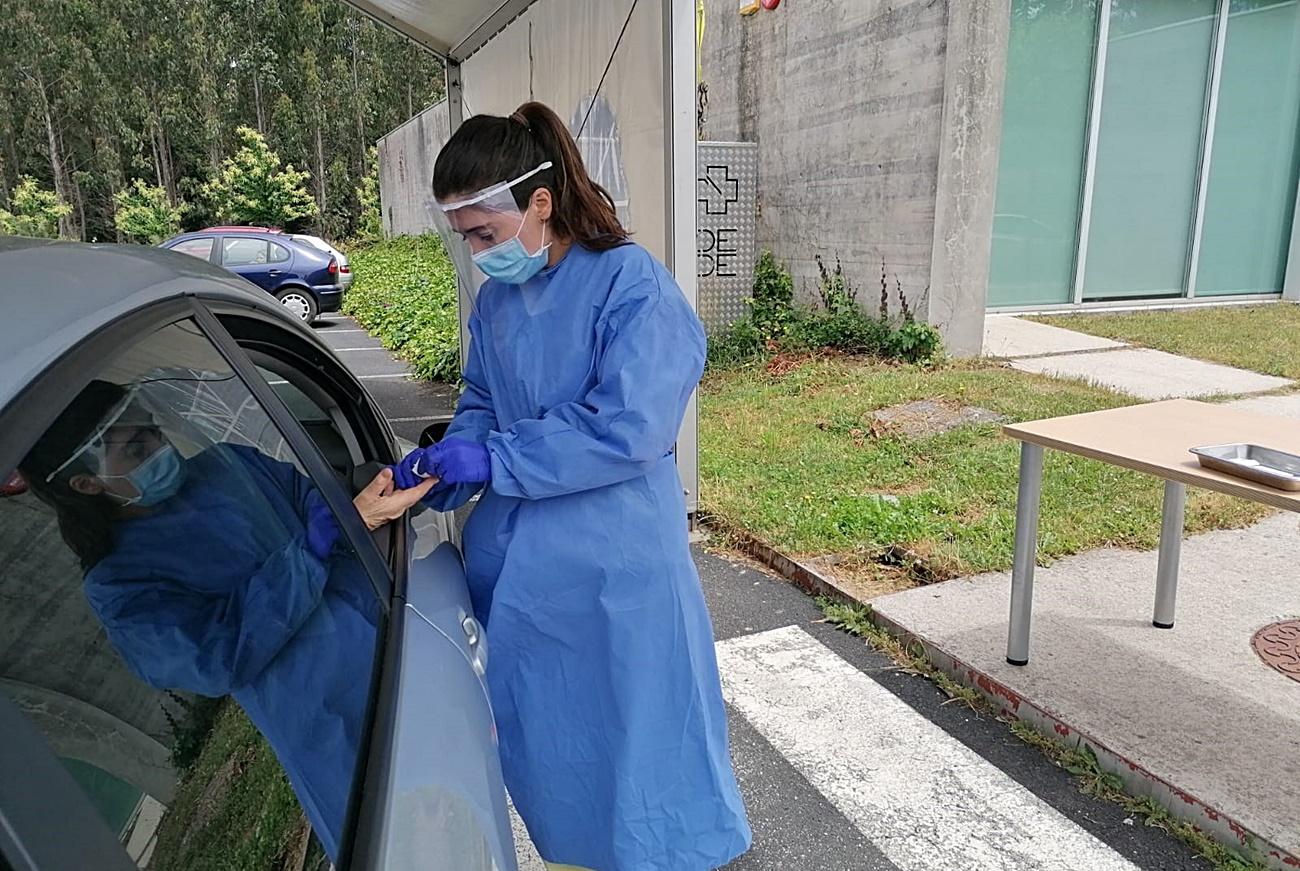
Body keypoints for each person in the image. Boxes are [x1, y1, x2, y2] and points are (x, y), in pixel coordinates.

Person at [393, 101, 752, 871]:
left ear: (540, 203)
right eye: (465, 239)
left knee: (645, 761)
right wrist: (448, 462)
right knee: (560, 766)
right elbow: (482, 402)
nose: (478, 254)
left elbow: (630, 424)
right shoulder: (494, 304)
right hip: (527, 584)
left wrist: (498, 461)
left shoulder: (632, 287)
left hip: (617, 576)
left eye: (485, 233)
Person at [19, 379, 433, 862]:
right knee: (407, 843)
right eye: (134, 448)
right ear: (86, 483)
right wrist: (309, 551)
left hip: (395, 642)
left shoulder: (227, 465)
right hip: (331, 720)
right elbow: (216, 657)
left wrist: (375, 495)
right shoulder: (119, 584)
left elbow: (317, 506)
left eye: (151, 429)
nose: (159, 446)